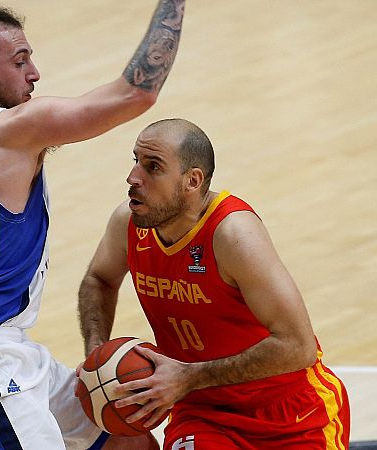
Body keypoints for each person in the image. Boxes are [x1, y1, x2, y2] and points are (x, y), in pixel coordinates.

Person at [0, 0, 184, 448]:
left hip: (2, 348)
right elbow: (135, 93)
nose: (35, 73)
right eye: (20, 60)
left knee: (129, 442)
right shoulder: (9, 131)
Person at [78, 119, 350, 450]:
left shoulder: (234, 235)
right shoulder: (129, 224)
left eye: (152, 167)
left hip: (290, 415)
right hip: (201, 413)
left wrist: (189, 376)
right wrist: (96, 354)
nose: (133, 178)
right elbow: (99, 278)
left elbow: (298, 347)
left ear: (192, 181)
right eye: (135, 161)